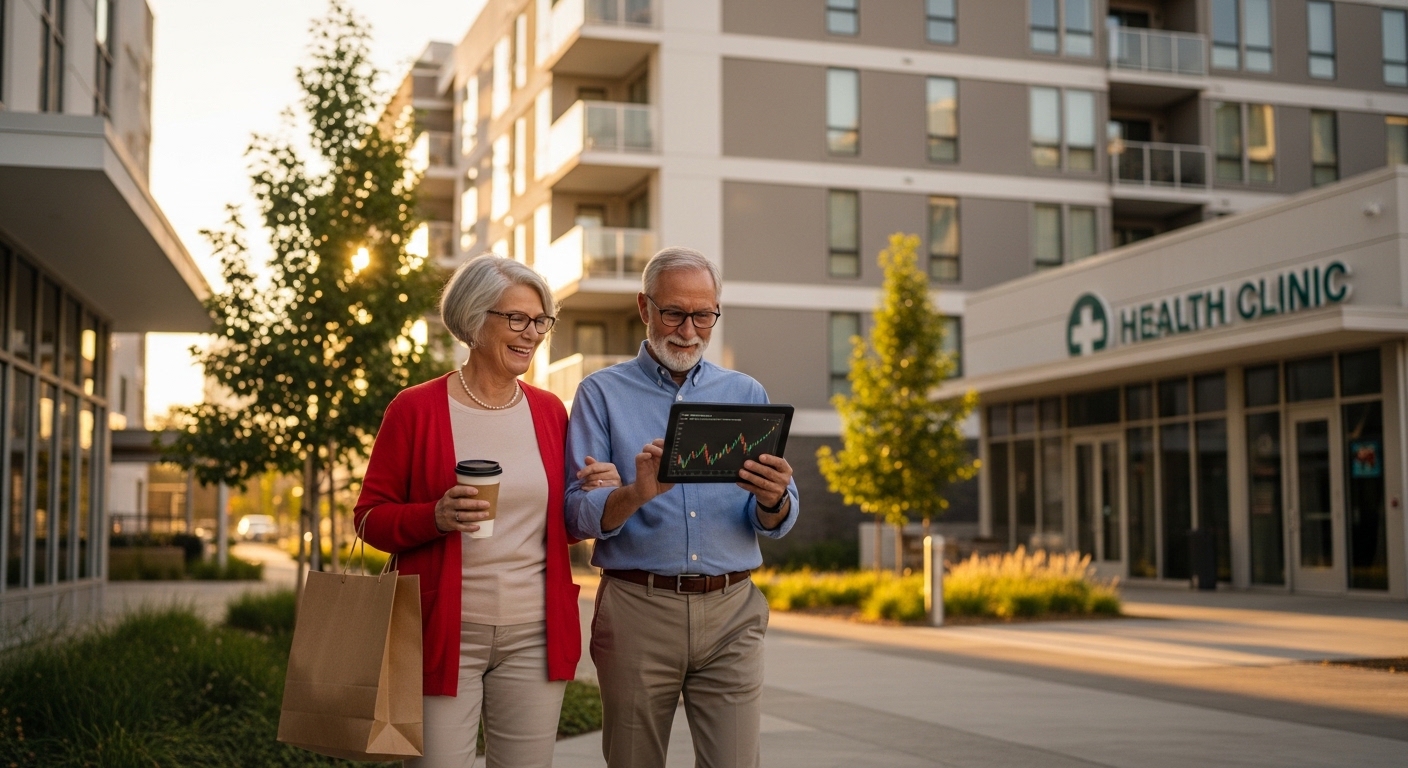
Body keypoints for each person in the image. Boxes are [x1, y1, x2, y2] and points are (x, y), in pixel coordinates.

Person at [355, 255, 620, 768]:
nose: (532, 333)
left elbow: (561, 526)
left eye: (540, 320)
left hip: (534, 633)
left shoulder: (549, 411)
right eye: (516, 318)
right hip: (442, 628)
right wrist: (433, 516)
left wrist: (595, 491)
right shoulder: (415, 408)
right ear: (475, 319)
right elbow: (368, 518)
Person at [565, 246, 799, 768]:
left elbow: (776, 517)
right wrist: (635, 493)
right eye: (674, 312)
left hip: (732, 610)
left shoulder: (745, 391)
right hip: (637, 610)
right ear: (645, 308)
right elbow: (575, 515)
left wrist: (774, 499)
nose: (689, 330)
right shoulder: (599, 393)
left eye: (703, 315)